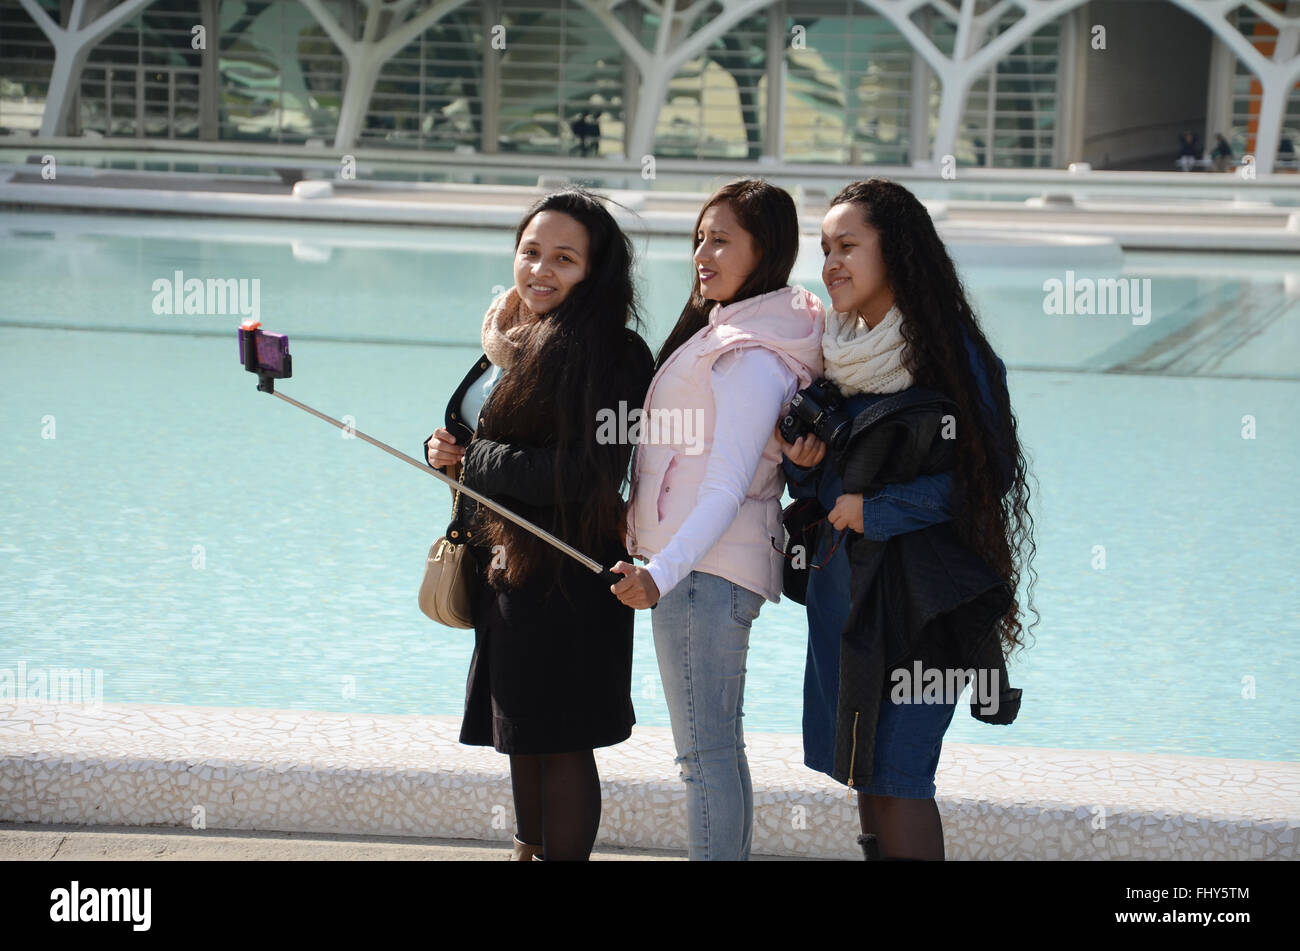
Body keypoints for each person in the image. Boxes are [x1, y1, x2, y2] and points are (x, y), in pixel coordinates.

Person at [779, 178, 1037, 861]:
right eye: (826, 248)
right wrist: (805, 465)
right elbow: (834, 484)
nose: (831, 262)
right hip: (849, 600)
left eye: (849, 246)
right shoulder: (841, 352)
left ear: (897, 252)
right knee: (863, 767)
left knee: (901, 774)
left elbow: (992, 475)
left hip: (925, 601)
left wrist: (881, 510)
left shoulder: (951, 352)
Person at [423, 188, 654, 861]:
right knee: (521, 729)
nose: (540, 270)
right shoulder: (512, 335)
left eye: (564, 258)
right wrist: (444, 451)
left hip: (567, 575)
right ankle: (527, 851)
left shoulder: (613, 353)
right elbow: (478, 431)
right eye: (530, 252)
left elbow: (588, 470)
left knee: (560, 737)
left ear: (596, 269)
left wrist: (477, 459)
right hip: (506, 568)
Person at [609, 179, 825, 860]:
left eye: (722, 238)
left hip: (703, 572)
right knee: (714, 752)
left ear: (766, 250)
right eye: (700, 237)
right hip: (699, 567)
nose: (703, 252)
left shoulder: (751, 354)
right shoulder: (735, 329)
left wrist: (660, 575)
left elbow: (728, 484)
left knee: (703, 757)